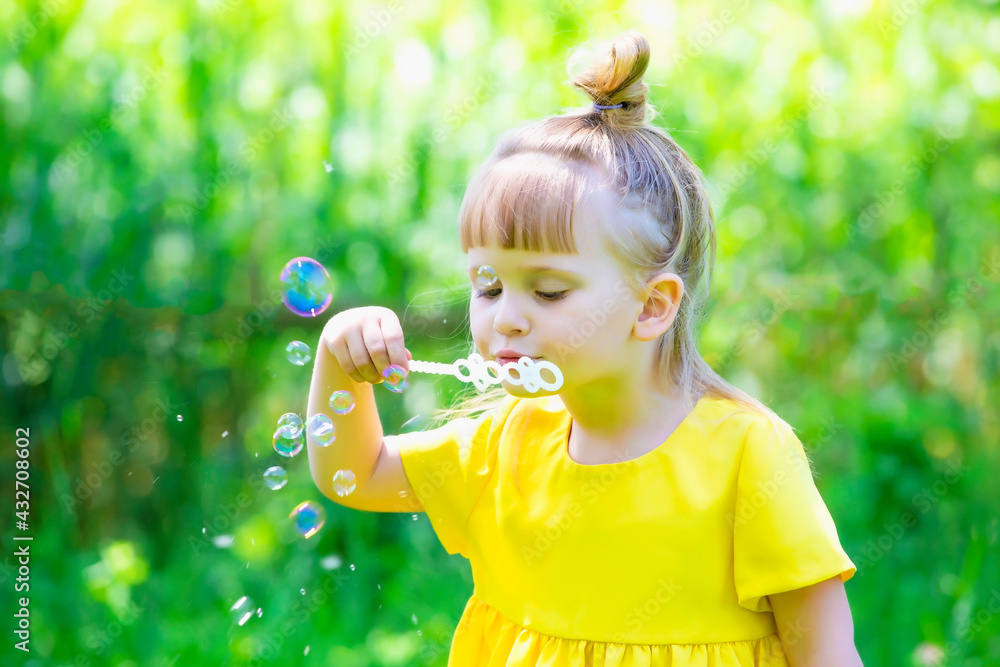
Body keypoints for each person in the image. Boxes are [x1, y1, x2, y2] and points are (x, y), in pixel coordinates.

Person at [307, 29, 863, 666]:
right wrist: (338, 364)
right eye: (488, 286)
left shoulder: (745, 456)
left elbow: (824, 653)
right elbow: (356, 474)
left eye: (547, 292)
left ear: (652, 306)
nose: (506, 320)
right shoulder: (507, 443)